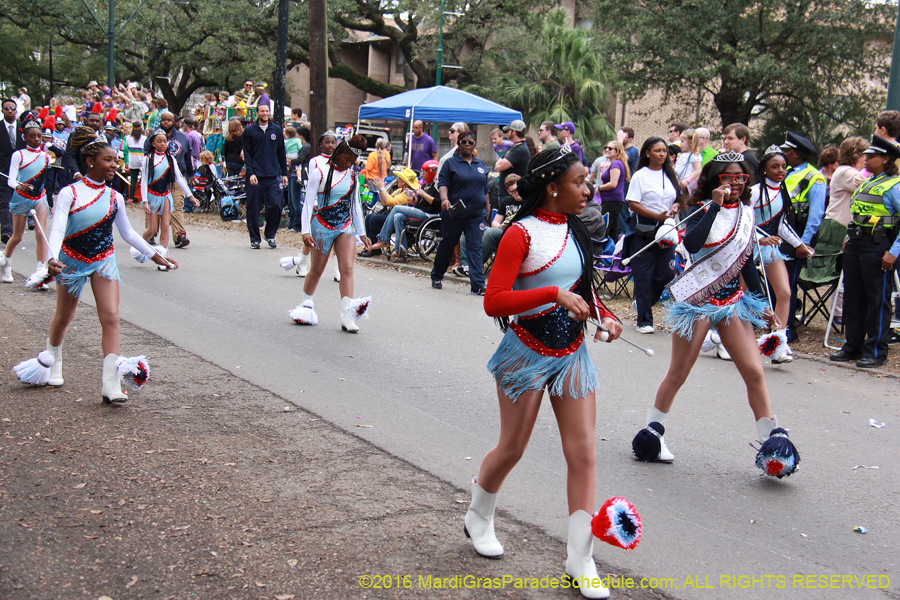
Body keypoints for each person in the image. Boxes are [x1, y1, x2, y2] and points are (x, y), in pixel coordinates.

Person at [468, 146, 622, 600]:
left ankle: (581, 557)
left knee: (584, 453)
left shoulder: (576, 230)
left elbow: (583, 290)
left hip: (572, 355)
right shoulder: (520, 233)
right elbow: (493, 300)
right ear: (553, 186)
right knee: (513, 447)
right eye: (579, 182)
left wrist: (605, 315)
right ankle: (478, 515)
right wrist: (553, 294)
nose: (587, 189)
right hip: (525, 353)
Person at [631, 151, 799, 478]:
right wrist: (714, 206)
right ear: (714, 181)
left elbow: (746, 262)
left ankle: (772, 446)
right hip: (697, 300)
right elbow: (692, 243)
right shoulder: (701, 210)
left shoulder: (747, 215)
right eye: (727, 177)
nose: (735, 183)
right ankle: (652, 433)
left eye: (740, 177)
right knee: (679, 372)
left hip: (733, 301)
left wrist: (763, 305)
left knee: (754, 370)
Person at [16, 136, 175, 402]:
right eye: (108, 160)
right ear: (90, 162)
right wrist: (52, 259)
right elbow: (57, 229)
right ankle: (53, 361)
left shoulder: (115, 196)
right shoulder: (70, 192)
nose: (115, 165)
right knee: (64, 316)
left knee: (111, 316)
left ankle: (110, 384)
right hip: (71, 261)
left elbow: (129, 234)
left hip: (104, 261)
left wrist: (155, 255)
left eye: (116, 160)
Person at [829, 135, 900, 368]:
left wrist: (894, 252)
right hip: (857, 243)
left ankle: (875, 351)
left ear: (886, 159)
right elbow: (861, 212)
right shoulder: (870, 182)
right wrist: (850, 236)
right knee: (853, 297)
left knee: (877, 300)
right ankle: (853, 346)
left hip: (879, 246)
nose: (866, 159)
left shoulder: (894, 186)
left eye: (872, 156)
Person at [295, 135, 372, 332]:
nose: (349, 164)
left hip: (345, 227)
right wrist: (305, 230)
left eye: (352, 162)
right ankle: (306, 305)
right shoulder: (319, 173)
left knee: (347, 269)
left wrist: (362, 232)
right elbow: (307, 204)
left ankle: (347, 315)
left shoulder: (353, 175)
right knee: (316, 271)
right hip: (322, 226)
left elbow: (355, 206)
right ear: (338, 154)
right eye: (347, 160)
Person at [747, 146, 814, 362]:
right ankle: (725, 338)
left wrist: (798, 244)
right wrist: (761, 239)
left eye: (784, 166)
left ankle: (777, 343)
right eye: (775, 167)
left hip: (771, 248)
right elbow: (744, 221)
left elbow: (781, 224)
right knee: (741, 294)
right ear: (764, 169)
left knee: (784, 293)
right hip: (749, 247)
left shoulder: (782, 191)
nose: (780, 170)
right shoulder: (756, 191)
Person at [625, 137, 681, 333]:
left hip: (667, 228)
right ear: (647, 153)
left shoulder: (670, 175)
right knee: (644, 275)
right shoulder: (640, 176)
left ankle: (642, 303)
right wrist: (656, 215)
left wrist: (675, 206)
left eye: (664, 151)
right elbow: (632, 204)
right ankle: (644, 320)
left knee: (666, 273)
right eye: (657, 151)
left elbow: (679, 198)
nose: (662, 154)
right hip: (644, 228)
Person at [429, 131, 491, 294]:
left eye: (471, 142)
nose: (467, 145)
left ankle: (477, 285)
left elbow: (485, 188)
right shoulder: (451, 163)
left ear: (474, 145)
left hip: (476, 214)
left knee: (475, 247)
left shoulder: (480, 164)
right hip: (454, 212)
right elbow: (442, 184)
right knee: (448, 244)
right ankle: (437, 275)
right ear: (459, 144)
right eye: (464, 142)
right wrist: (444, 199)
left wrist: (487, 207)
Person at [780, 131, 827, 343]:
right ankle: (780, 324)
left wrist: (805, 242)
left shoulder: (814, 177)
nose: (783, 154)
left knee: (787, 283)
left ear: (797, 154)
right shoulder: (788, 172)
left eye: (786, 151)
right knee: (778, 283)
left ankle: (788, 329)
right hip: (782, 233)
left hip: (797, 237)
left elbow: (816, 215)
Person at [1, 114, 51, 285]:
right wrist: (17, 186)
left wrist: (48, 201)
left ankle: (40, 272)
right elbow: (10, 179)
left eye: (39, 136)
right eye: (32, 136)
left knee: (41, 234)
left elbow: (45, 180)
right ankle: (6, 263)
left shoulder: (46, 156)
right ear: (24, 137)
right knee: (17, 236)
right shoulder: (19, 155)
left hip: (40, 198)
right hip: (21, 198)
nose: (37, 139)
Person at [140, 128, 197, 258]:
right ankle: (139, 245)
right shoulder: (148, 159)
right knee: (152, 229)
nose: (162, 144)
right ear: (153, 143)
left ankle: (163, 255)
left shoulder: (170, 158)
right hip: (152, 196)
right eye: (159, 141)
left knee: (165, 226)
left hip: (166, 196)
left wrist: (190, 196)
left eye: (165, 141)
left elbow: (178, 177)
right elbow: (143, 181)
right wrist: (144, 201)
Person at [291, 130, 336, 276]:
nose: (330, 145)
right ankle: (303, 261)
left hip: (334, 203)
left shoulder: (339, 161)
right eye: (327, 142)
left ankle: (338, 269)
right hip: (318, 202)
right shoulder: (315, 161)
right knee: (313, 234)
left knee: (337, 235)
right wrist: (315, 201)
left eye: (333, 142)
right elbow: (311, 184)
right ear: (321, 145)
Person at [242, 103, 288, 249]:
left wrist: (284, 173)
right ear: (257, 113)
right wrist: (250, 173)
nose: (265, 113)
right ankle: (255, 238)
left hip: (273, 175)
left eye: (267, 111)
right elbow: (247, 155)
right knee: (253, 208)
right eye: (262, 111)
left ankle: (270, 235)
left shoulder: (276, 130)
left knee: (276, 204)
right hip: (255, 176)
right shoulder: (249, 131)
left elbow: (281, 153)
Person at [369, 166, 438, 260]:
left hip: (428, 215)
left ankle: (384, 239)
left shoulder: (437, 187)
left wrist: (382, 189)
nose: (422, 173)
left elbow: (437, 204)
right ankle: (401, 250)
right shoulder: (425, 186)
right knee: (398, 216)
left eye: (424, 171)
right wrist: (413, 199)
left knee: (396, 208)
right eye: (421, 170)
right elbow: (418, 204)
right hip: (419, 211)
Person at [595, 140, 630, 242]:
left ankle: (603, 251)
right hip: (612, 200)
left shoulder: (616, 164)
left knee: (604, 228)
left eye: (610, 148)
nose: (607, 150)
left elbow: (613, 183)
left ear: (617, 152)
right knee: (612, 230)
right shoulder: (615, 164)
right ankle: (613, 252)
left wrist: (599, 188)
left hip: (612, 201)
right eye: (606, 147)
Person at [482, 173, 521, 261]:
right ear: (509, 192)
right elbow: (494, 223)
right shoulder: (506, 201)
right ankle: (466, 264)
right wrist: (500, 226)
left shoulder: (528, 201)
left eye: (518, 189)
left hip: (516, 233)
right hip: (503, 231)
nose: (517, 193)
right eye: (513, 191)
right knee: (474, 229)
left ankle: (476, 267)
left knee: (490, 233)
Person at [1, 98, 24, 243]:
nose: (10, 111)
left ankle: (18, 230)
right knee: (4, 202)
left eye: (12, 108)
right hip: (2, 171)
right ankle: (6, 232)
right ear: (3, 111)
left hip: (21, 173)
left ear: (16, 111)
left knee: (19, 202)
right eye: (6, 108)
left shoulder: (23, 128)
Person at [495, 121, 529, 205]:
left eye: (508, 131)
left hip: (512, 194)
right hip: (505, 192)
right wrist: (501, 163)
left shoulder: (520, 150)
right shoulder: (513, 147)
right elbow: (497, 165)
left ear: (513, 132)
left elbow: (499, 167)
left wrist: (501, 163)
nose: (507, 133)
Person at [287, 125, 311, 232]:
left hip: (299, 175)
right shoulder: (303, 146)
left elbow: (299, 160)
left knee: (295, 200)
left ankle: (297, 225)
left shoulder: (306, 147)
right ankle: (292, 223)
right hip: (294, 174)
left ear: (300, 135)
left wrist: (289, 160)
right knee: (292, 200)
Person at [126, 121, 146, 202]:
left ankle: (131, 197)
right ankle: (143, 197)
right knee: (143, 180)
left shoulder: (128, 138)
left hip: (132, 161)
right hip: (142, 161)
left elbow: (128, 147)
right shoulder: (144, 138)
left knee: (133, 180)